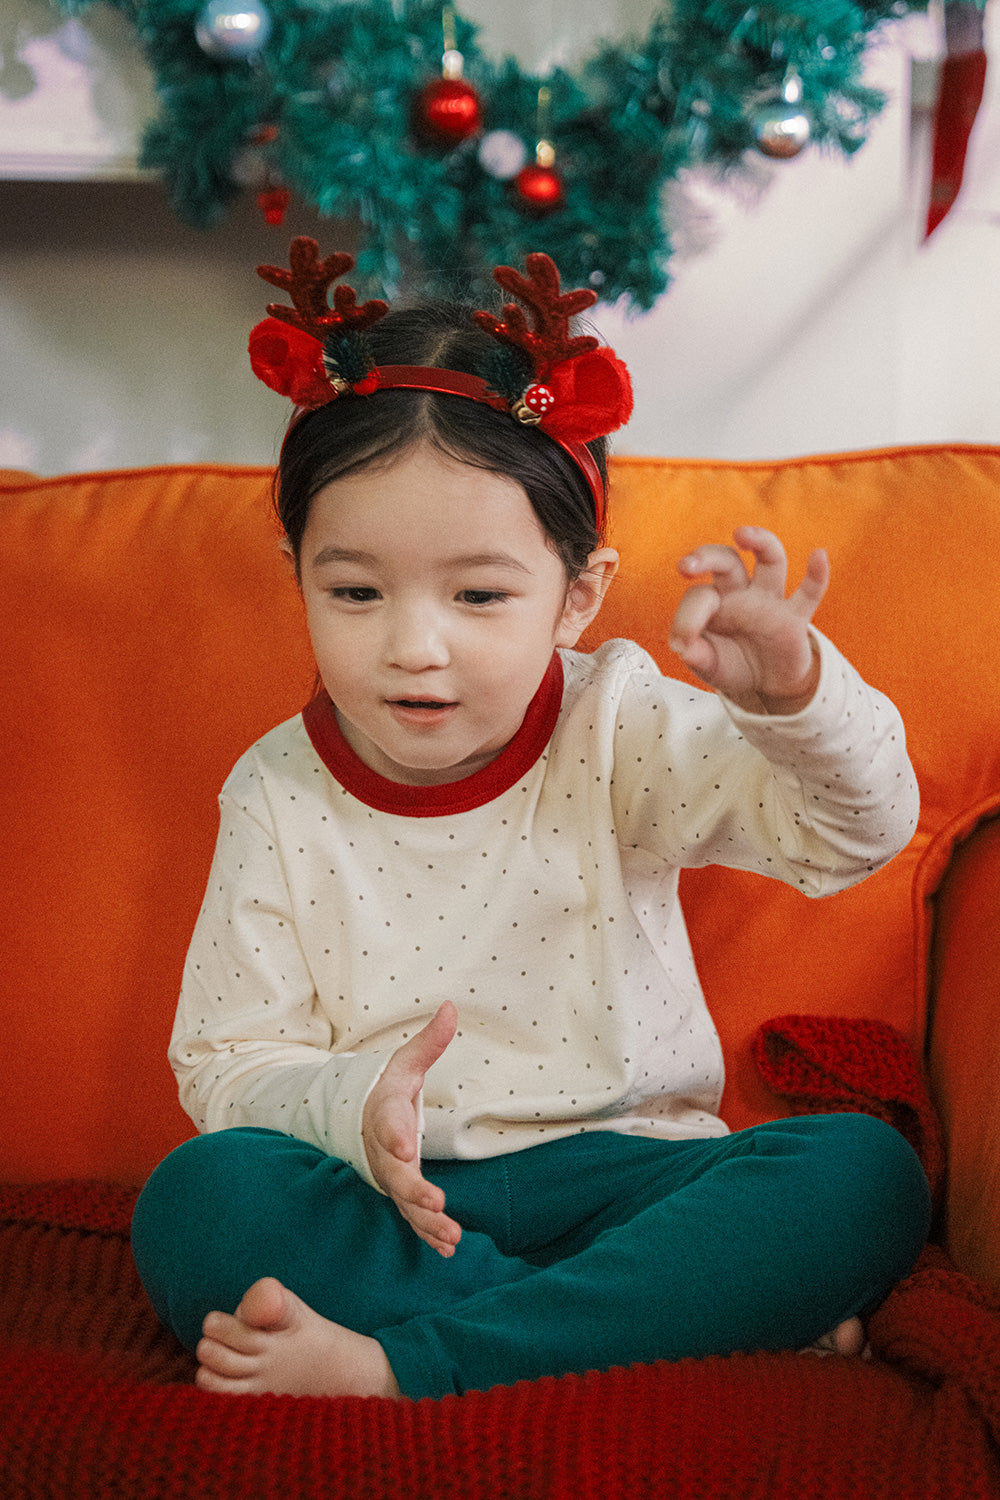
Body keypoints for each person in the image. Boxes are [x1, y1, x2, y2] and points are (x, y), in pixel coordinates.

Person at [131, 241, 931, 1402]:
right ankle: (670, 1322)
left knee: (862, 1172)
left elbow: (852, 834)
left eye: (479, 595)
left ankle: (416, 1362)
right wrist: (351, 1106)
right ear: (296, 570)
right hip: (400, 1202)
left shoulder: (623, 721)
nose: (414, 645)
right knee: (201, 1198)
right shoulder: (274, 789)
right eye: (354, 591)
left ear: (579, 595)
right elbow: (227, 1058)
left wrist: (792, 703)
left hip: (631, 1184)